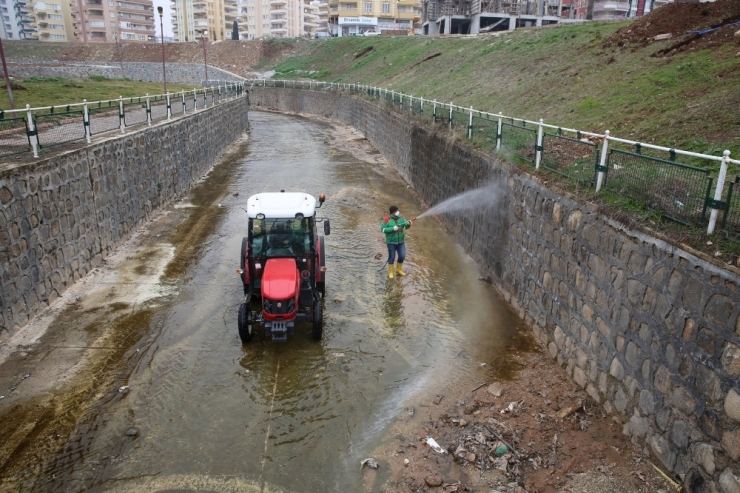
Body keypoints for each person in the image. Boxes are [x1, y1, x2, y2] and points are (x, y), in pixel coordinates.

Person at [380, 205, 412, 279]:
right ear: (393, 212)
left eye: (398, 211)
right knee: (391, 257)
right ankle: (391, 272)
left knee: (402, 256)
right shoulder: (386, 219)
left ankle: (398, 270)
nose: (398, 212)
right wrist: (392, 228)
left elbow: (405, 226)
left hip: (401, 241)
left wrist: (408, 224)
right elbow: (382, 229)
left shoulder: (401, 218)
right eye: (396, 211)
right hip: (391, 242)